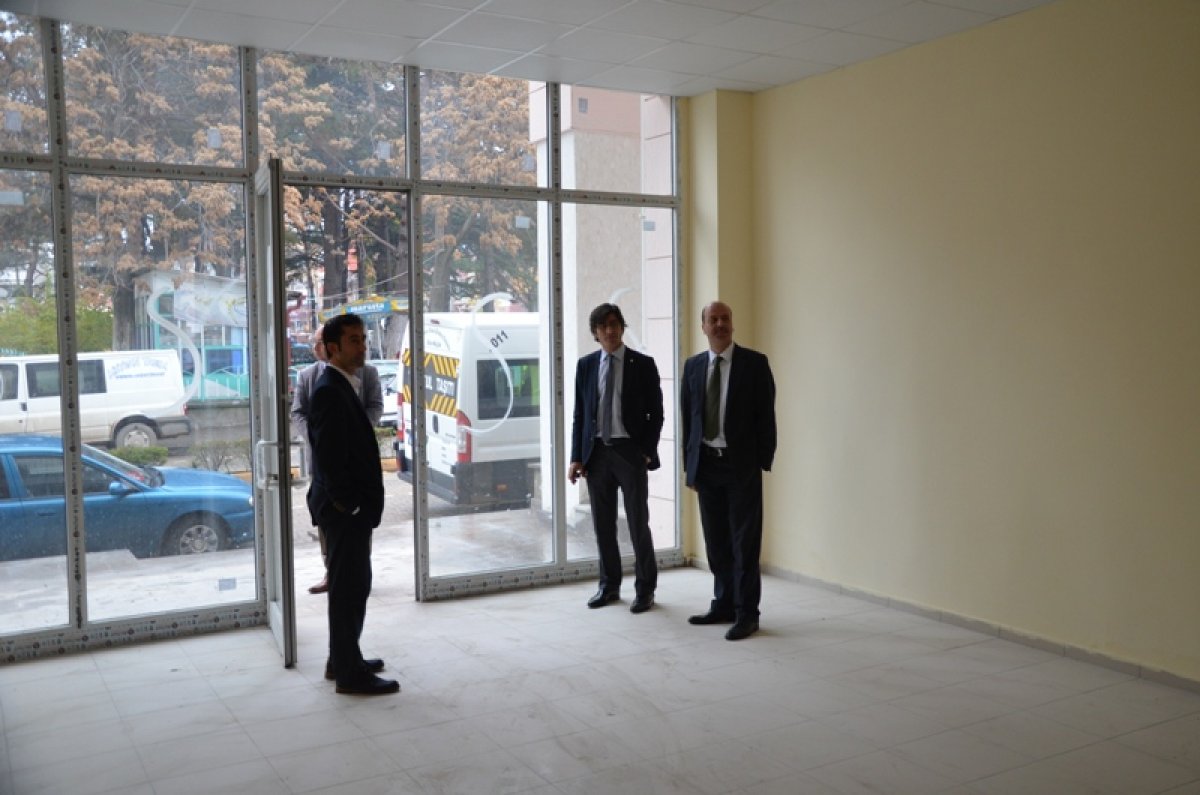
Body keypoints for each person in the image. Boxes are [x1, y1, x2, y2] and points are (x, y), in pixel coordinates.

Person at [306, 314, 398, 695]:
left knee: (354, 586)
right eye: (354, 341)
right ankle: (348, 673)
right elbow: (329, 459)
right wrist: (350, 506)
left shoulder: (344, 383)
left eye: (363, 339)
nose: (363, 347)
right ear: (332, 349)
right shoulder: (329, 390)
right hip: (343, 513)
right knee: (348, 589)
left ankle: (343, 658)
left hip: (348, 511)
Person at [681, 300, 777, 641]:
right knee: (716, 541)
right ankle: (723, 604)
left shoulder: (754, 364)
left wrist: (760, 462)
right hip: (706, 465)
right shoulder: (693, 367)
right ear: (703, 327)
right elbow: (689, 420)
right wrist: (690, 469)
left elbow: (766, 417)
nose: (720, 324)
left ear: (732, 324)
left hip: (741, 467)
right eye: (713, 319)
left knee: (744, 542)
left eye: (725, 319)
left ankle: (747, 613)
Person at [569, 303, 664, 613]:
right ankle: (609, 586)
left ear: (622, 327)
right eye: (603, 326)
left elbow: (656, 413)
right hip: (596, 454)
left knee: (637, 523)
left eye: (614, 324)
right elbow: (580, 415)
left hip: (629, 452)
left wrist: (646, 451)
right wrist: (576, 457)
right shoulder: (586, 366)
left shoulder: (643, 364)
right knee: (603, 525)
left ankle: (645, 589)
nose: (609, 330)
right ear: (595, 333)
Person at [292, 326, 383, 595]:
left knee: (357, 525)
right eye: (316, 342)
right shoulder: (309, 377)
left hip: (356, 466)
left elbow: (376, 407)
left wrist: (355, 431)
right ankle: (331, 570)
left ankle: (357, 567)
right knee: (330, 520)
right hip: (323, 464)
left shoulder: (367, 373)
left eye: (363, 340)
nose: (316, 347)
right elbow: (298, 413)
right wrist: (315, 436)